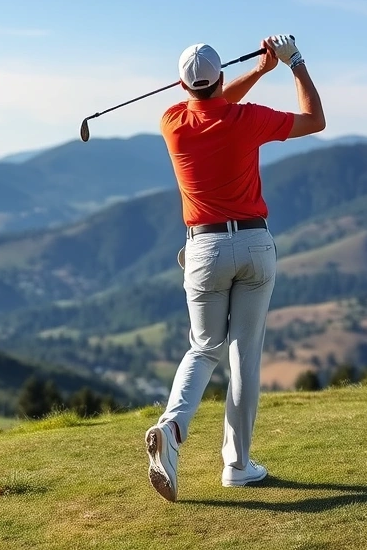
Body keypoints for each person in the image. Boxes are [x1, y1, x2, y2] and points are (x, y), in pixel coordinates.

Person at [144, 34, 325, 502]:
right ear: (221, 77)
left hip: (203, 249)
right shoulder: (247, 118)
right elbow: (315, 120)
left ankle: (173, 427)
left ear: (183, 86)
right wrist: (292, 63)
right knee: (245, 356)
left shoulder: (172, 121)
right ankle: (238, 465)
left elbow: (210, 102)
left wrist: (259, 71)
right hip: (253, 243)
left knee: (204, 348)